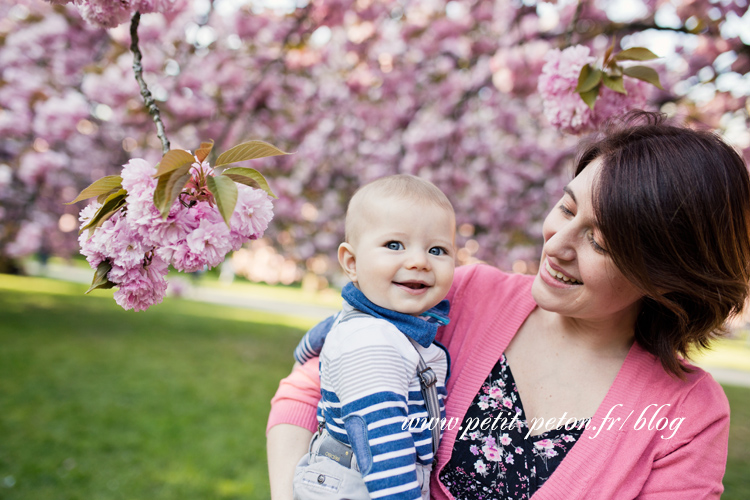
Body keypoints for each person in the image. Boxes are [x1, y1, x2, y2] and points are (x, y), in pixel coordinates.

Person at [267, 112, 750, 499]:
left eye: (599, 242)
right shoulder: (458, 295)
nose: (557, 244)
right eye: (565, 208)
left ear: (666, 275)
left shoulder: (688, 414)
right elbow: (310, 389)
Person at [292, 174, 456, 500]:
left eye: (437, 249)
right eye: (394, 245)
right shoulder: (374, 343)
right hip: (368, 487)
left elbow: (314, 341)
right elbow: (381, 442)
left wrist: (305, 351)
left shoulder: (362, 320)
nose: (419, 261)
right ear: (351, 263)